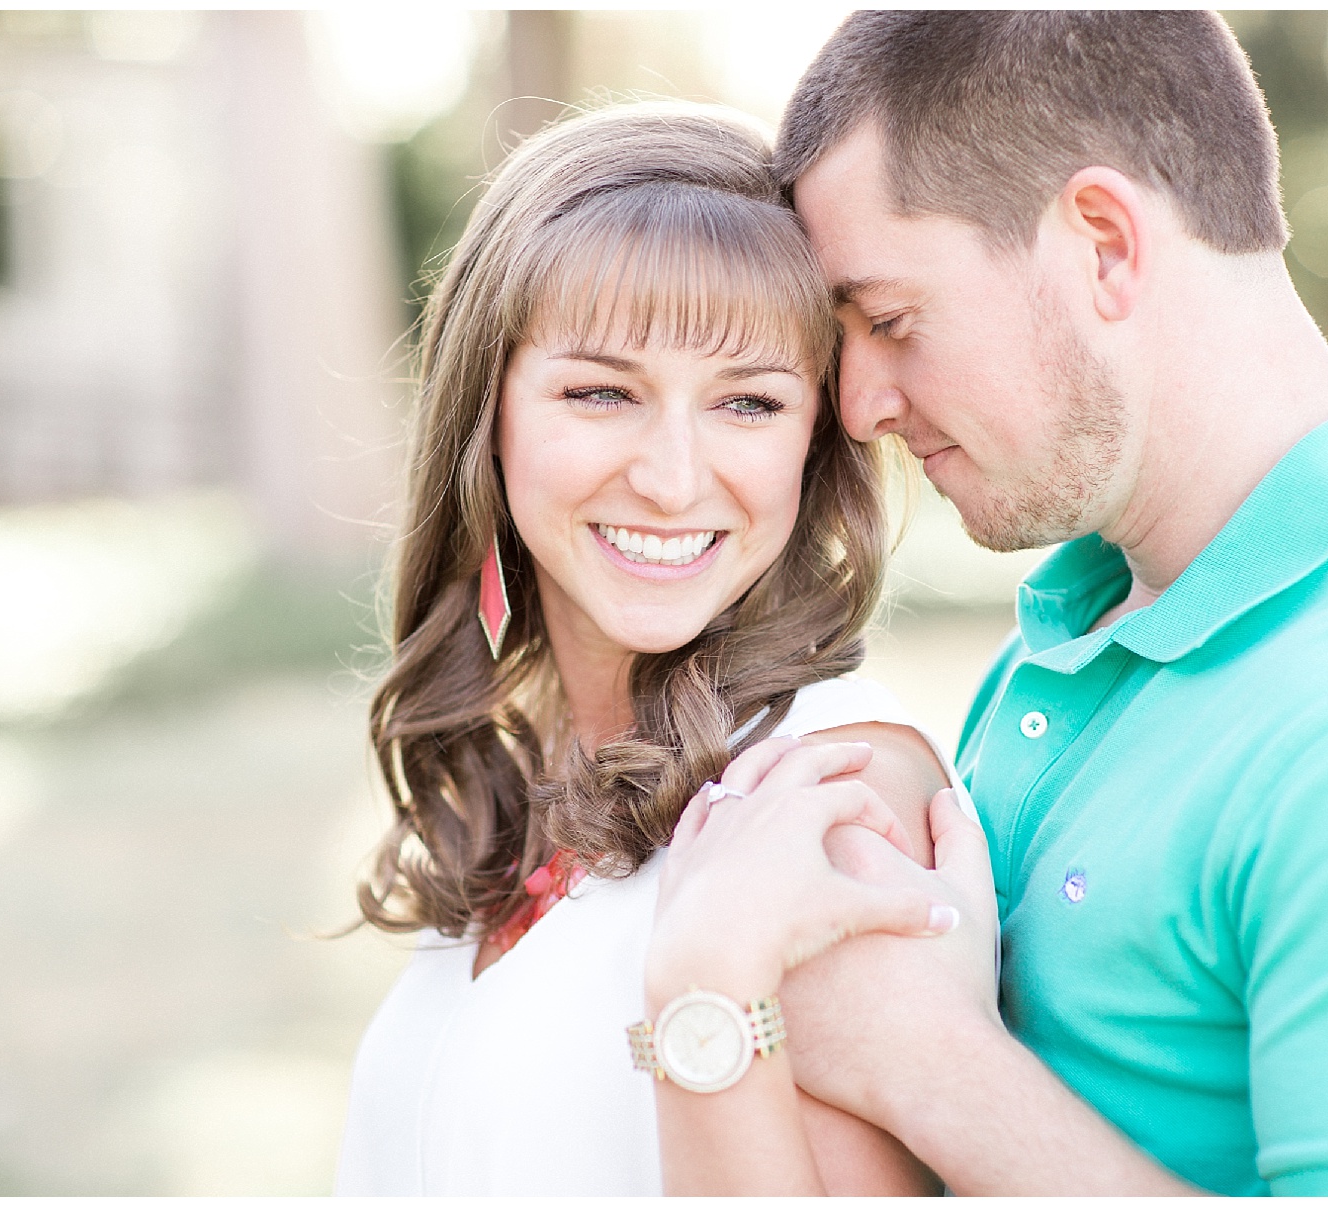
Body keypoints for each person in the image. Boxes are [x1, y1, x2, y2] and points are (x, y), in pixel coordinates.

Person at [645, 10, 1328, 1197]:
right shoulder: (1082, 631)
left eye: (891, 321)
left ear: (1103, 243)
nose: (857, 408)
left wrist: (930, 1063)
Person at [331, 100, 969, 1196]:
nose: (674, 479)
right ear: (486, 411)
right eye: (601, 392)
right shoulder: (528, 773)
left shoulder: (831, 791)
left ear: (815, 438)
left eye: (750, 403)